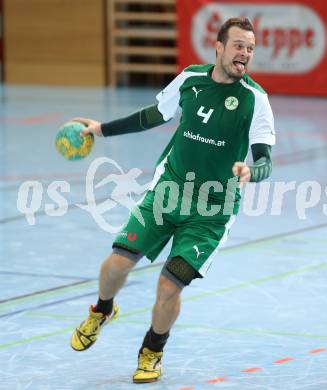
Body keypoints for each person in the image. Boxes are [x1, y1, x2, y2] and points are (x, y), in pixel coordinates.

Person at [70, 17, 275, 383]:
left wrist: (250, 172)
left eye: (250, 48)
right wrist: (102, 129)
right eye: (239, 45)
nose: (245, 53)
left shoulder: (255, 100)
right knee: (116, 265)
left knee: (168, 286)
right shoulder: (191, 80)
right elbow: (152, 116)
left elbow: (265, 159)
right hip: (168, 193)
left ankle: (153, 350)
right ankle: (102, 310)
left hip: (211, 211)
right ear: (219, 47)